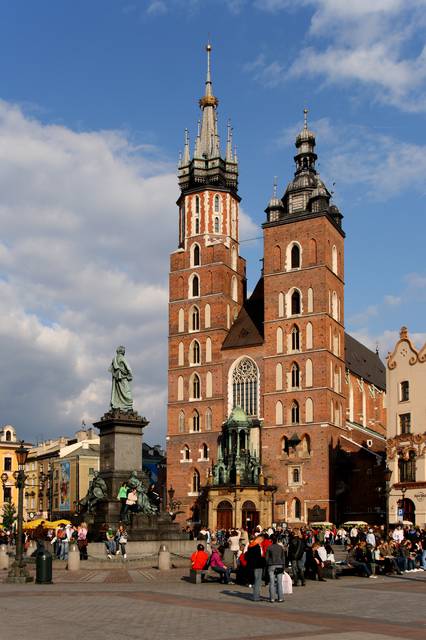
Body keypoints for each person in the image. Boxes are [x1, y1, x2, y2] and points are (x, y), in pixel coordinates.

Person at [265, 534, 285, 603]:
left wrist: (268, 564)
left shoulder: (269, 547)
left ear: (271, 540)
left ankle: (272, 598)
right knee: (279, 582)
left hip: (271, 565)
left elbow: (266, 558)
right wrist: (283, 566)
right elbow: (283, 558)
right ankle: (280, 598)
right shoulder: (281, 547)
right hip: (280, 565)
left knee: (272, 582)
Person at [245, 535, 265, 601]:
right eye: (261, 541)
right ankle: (256, 597)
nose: (261, 542)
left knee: (255, 581)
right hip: (258, 566)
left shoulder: (250, 546)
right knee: (258, 582)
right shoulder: (257, 547)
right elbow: (258, 558)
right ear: (259, 539)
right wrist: (263, 560)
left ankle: (256, 596)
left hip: (251, 566)